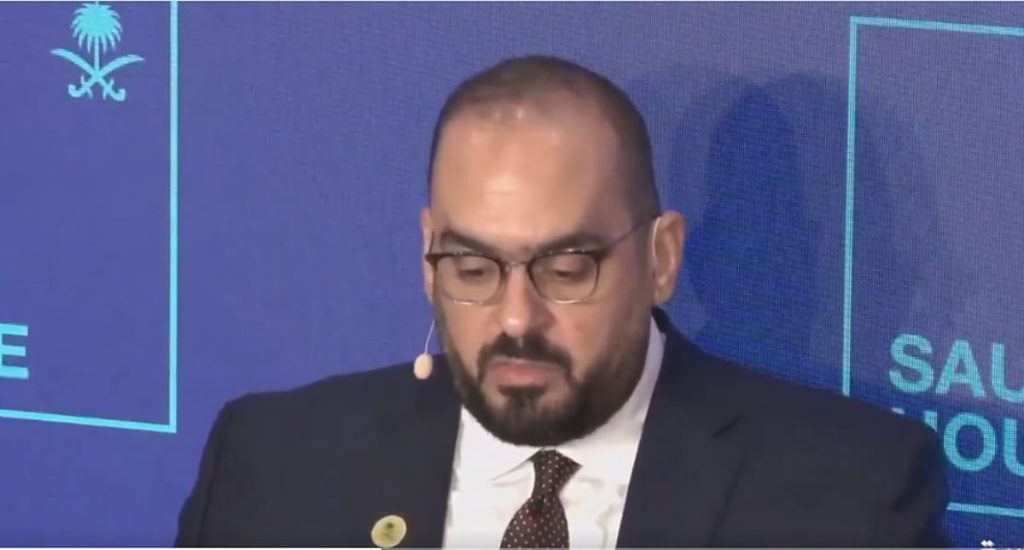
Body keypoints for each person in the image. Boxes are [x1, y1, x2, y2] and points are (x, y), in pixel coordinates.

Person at [175, 55, 951, 548]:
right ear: (427, 256)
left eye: (566, 269)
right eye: (473, 269)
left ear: (661, 258)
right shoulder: (277, 465)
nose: (516, 319)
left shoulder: (848, 497)